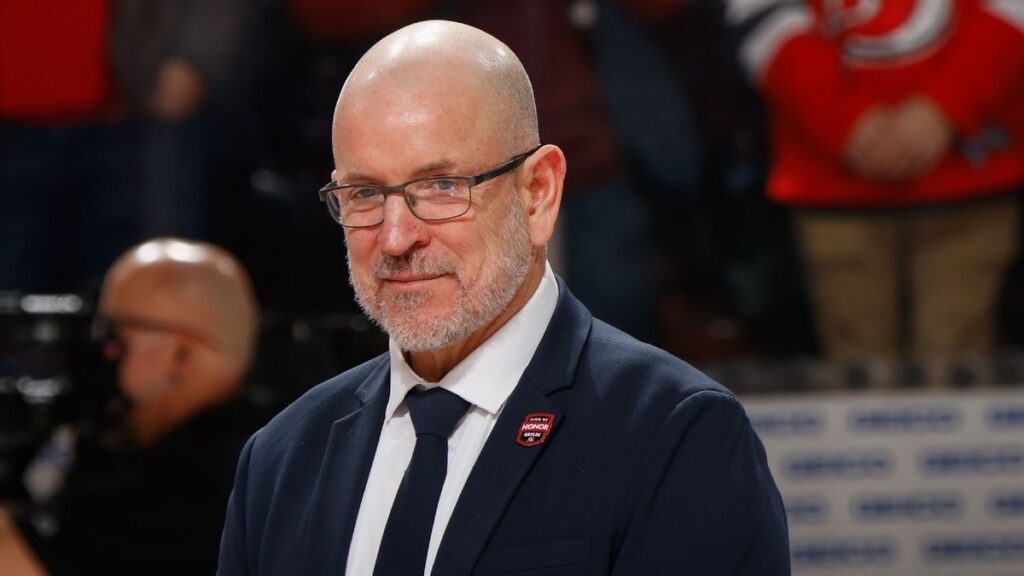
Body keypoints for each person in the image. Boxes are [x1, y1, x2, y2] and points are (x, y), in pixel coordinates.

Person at [217, 20, 788, 575]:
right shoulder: (282, 459)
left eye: (441, 186)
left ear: (539, 193)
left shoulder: (674, 434)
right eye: (365, 193)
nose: (395, 238)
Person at [727, 0, 1024, 362]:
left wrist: (947, 105)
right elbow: (761, 15)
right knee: (858, 370)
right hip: (835, 190)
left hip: (970, 179)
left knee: (957, 360)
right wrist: (840, 116)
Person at [0, 238, 262, 575]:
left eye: (115, 340)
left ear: (180, 356)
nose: (99, 356)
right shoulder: (132, 440)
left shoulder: (205, 485)